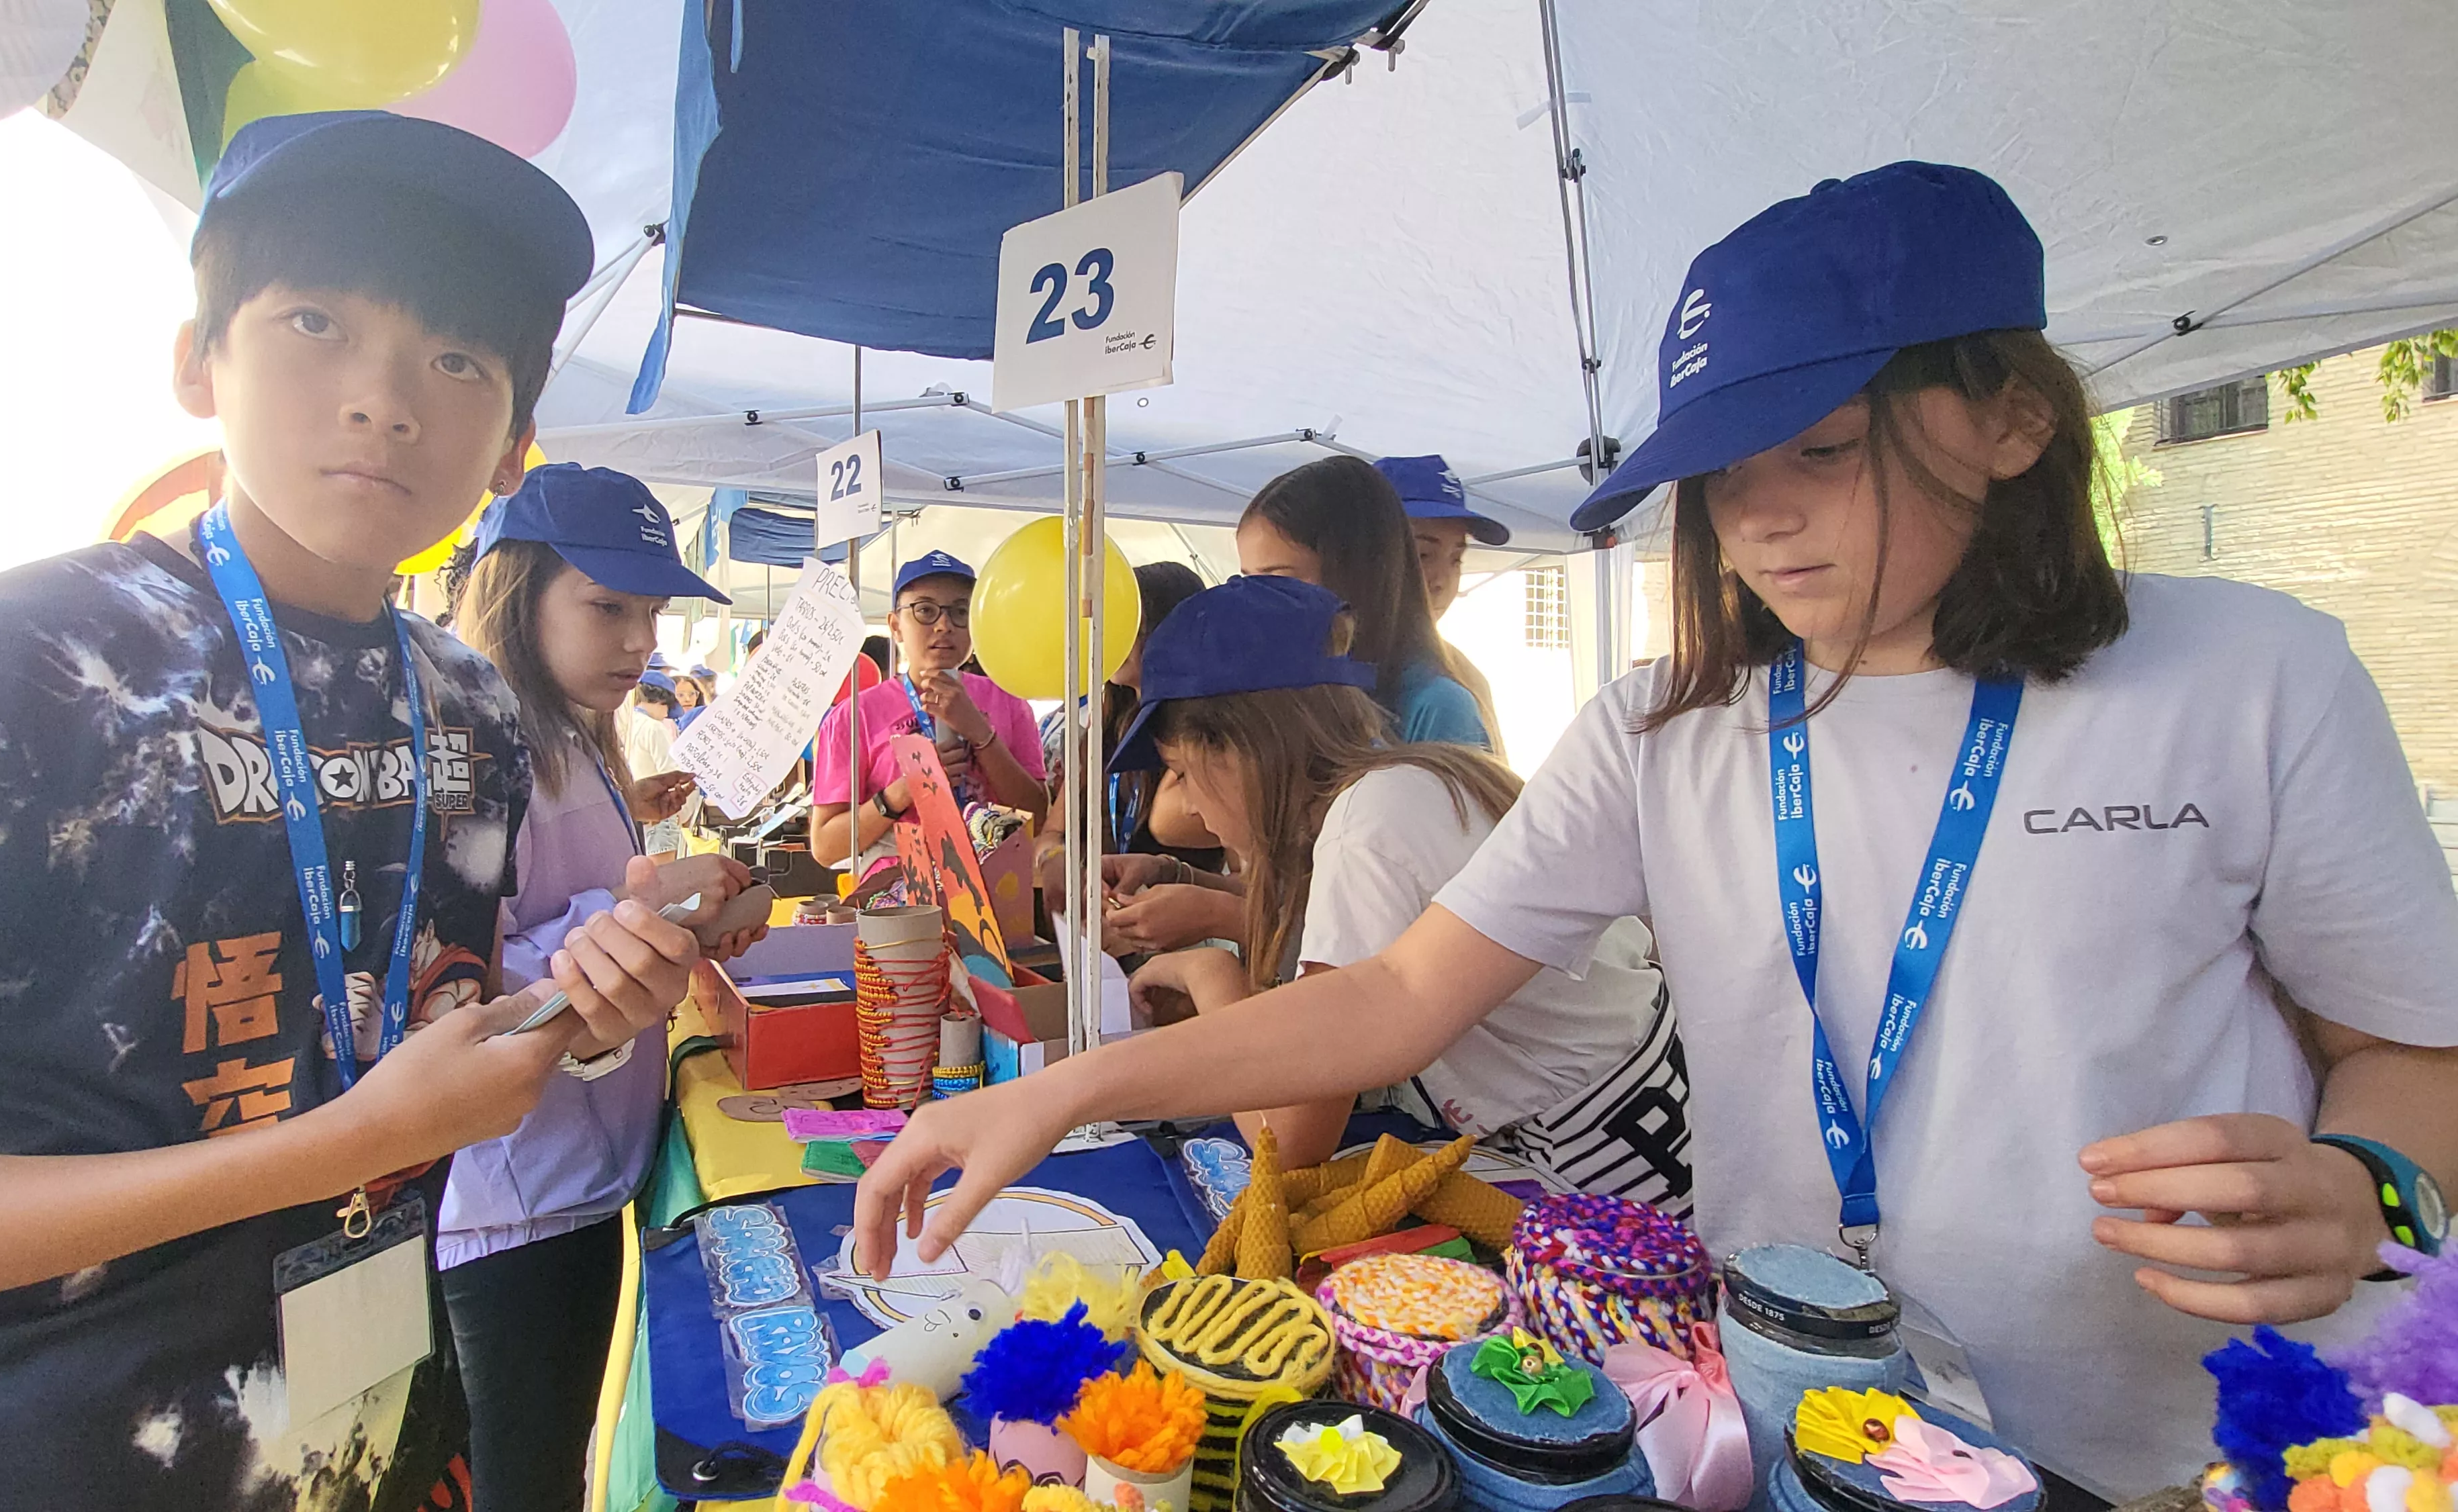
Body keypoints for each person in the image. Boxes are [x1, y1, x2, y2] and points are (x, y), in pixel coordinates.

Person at [855, 162, 2458, 1495]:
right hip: (1777, 1436)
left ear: (2012, 417)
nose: (1756, 516)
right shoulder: (1661, 724)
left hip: (2194, 1453)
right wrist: (1070, 1084)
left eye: (1818, 451)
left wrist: (2370, 1179)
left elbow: (2414, 1052)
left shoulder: (2254, 676)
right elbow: (1396, 993)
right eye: (1718, 472)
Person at [0, 112, 729, 1511]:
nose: (385, 400)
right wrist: (332, 1151)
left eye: (456, 358)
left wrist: (563, 1023)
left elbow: (376, 1040)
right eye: (316, 320)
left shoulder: (464, 708)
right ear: (195, 360)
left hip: (386, 1446)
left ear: (514, 440)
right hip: (33, 1461)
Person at [1110, 575, 1684, 1198]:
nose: (1189, 808)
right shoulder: (1411, 781)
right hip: (1652, 1100)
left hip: (1615, 1159)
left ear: (1241, 747)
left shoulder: (1365, 828)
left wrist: (1209, 978)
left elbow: (1292, 1136)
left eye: (1182, 774)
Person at [441, 463, 755, 1511]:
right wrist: (645, 911)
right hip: (513, 1204)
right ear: (518, 591)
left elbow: (577, 914)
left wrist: (688, 920)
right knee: (523, 1476)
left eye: (652, 611)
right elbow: (459, 990)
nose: (640, 642)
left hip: (582, 1180)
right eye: (607, 607)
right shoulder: (477, 751)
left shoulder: (574, 736)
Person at [809, 551, 1048, 875]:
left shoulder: (1010, 703)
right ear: (896, 626)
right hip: (899, 902)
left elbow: (1038, 815)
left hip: (995, 895)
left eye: (960, 612)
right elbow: (826, 847)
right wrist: (909, 786)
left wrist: (981, 734)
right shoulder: (853, 716)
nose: (944, 625)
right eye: (925, 611)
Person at [1237, 456, 1491, 752]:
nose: (1441, 580)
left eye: (1278, 578)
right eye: (1246, 580)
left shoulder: (1437, 702)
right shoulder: (1270, 684)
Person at [1036, 561, 1218, 918]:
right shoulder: (1102, 727)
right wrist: (1055, 859)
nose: (1108, 638)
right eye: (1104, 625)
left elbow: (1246, 872)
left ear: (1170, 631)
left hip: (1184, 935)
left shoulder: (1206, 734)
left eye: (1127, 625)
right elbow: (1052, 832)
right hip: (1103, 939)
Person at [1377, 455, 1510, 763]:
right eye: (1423, 555)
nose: (1442, 580)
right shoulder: (1320, 667)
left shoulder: (1448, 692)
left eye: (1456, 559)